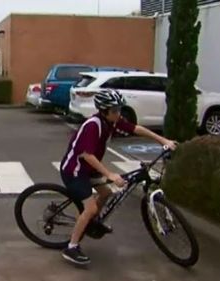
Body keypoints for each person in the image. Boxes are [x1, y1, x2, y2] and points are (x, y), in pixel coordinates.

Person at [59, 89, 177, 265]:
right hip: (75, 171)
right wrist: (110, 174)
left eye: (119, 109)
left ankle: (92, 223)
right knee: (90, 208)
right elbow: (87, 155)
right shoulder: (93, 125)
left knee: (106, 193)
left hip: (89, 169)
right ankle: (72, 247)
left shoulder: (112, 121)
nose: (118, 113)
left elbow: (136, 128)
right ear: (104, 110)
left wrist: (163, 140)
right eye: (114, 110)